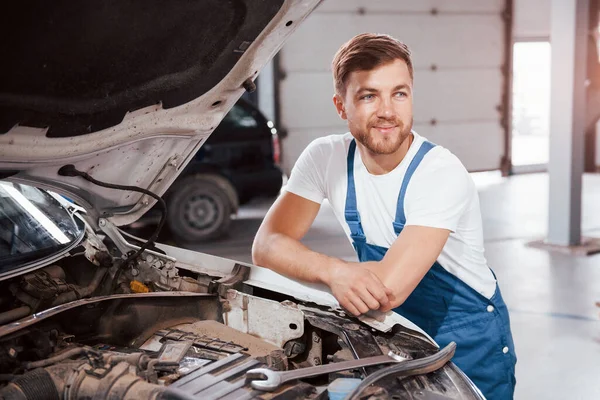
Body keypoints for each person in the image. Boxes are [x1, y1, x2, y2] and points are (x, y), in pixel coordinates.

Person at [252, 33, 516, 399]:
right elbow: (266, 245)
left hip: (468, 343)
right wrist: (335, 271)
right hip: (396, 336)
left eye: (399, 93)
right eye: (368, 96)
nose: (387, 111)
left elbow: (389, 289)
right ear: (340, 106)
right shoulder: (324, 158)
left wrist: (315, 267)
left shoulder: (439, 172)